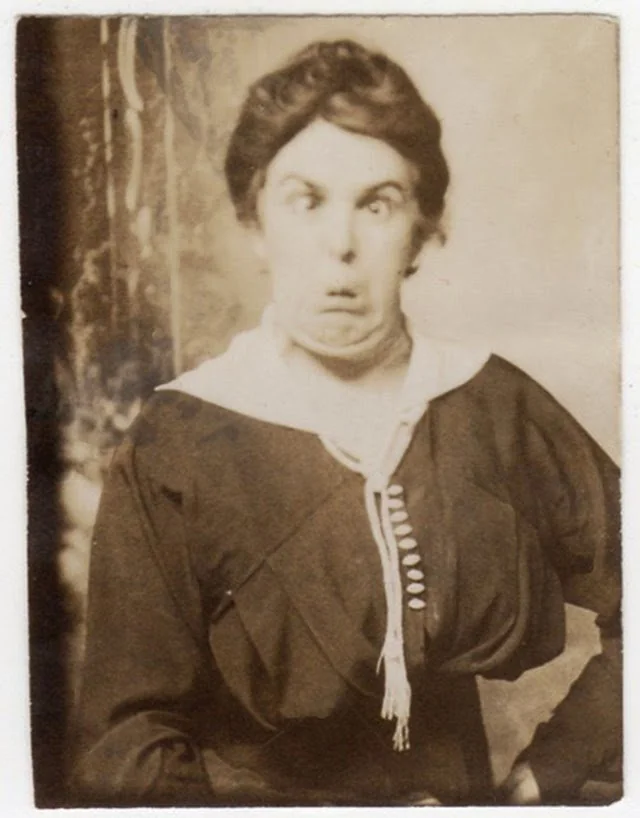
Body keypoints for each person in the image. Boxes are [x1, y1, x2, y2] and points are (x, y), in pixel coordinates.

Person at [70, 39, 621, 806]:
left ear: (425, 230)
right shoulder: (179, 443)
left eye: (377, 203)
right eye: (307, 200)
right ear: (255, 222)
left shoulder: (490, 403)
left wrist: (548, 774)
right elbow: (127, 744)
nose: (341, 246)